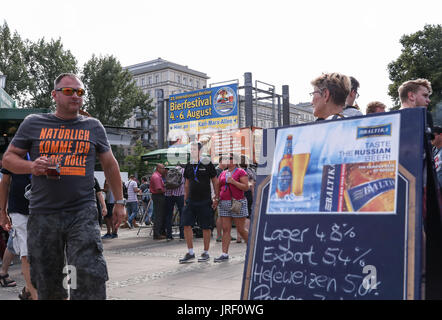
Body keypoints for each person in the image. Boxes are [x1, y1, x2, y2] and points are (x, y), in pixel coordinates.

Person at [1, 73, 125, 300]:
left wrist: (119, 202)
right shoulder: (34, 122)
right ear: (55, 95)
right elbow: (8, 160)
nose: (75, 96)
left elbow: (110, 163)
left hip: (82, 212)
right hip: (43, 213)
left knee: (88, 273)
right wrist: (32, 166)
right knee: (49, 279)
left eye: (79, 91)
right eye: (69, 91)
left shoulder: (93, 126)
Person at [0, 155, 38, 299]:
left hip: (43, 208)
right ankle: (34, 295)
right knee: (26, 253)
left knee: (41, 253)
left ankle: (29, 289)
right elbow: (4, 182)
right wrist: (2, 211)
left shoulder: (45, 145)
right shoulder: (15, 150)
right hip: (19, 210)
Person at [179, 141, 219, 263]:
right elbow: (186, 184)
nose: (192, 151)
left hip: (205, 200)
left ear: (201, 151)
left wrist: (216, 198)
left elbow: (215, 181)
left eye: (194, 149)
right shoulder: (189, 165)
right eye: (191, 149)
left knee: (205, 227)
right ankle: (190, 252)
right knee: (186, 224)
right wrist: (185, 199)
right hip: (191, 201)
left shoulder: (207, 163)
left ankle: (206, 252)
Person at [215, 153, 249, 262]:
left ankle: (252, 249)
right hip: (224, 203)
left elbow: (246, 187)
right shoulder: (223, 173)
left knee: (240, 229)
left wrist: (233, 182)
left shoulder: (240, 171)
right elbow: (219, 186)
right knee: (226, 229)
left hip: (237, 202)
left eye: (229, 158)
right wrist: (216, 198)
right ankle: (224, 254)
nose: (226, 160)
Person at [237, 155, 256, 243]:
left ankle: (238, 237)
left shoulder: (236, 171)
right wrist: (253, 196)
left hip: (237, 194)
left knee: (238, 214)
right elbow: (252, 184)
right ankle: (246, 235)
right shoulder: (250, 171)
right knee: (247, 214)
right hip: (247, 194)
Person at [164, 165, 185, 241]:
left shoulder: (169, 171)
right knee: (182, 214)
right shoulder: (183, 170)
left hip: (168, 194)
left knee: (168, 215)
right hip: (180, 194)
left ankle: (168, 236)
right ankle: (182, 235)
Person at [150, 163, 167, 240]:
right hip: (158, 196)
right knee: (159, 215)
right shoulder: (156, 177)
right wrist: (166, 189)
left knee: (160, 214)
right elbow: (158, 189)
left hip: (157, 196)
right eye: (163, 168)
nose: (164, 170)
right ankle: (157, 234)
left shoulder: (157, 176)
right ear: (158, 169)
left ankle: (159, 233)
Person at [215, 157, 228, 242]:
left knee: (224, 216)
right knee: (220, 216)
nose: (227, 163)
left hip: (222, 195)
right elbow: (216, 184)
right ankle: (219, 235)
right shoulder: (217, 170)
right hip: (219, 196)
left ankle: (226, 234)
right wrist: (216, 196)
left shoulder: (222, 171)